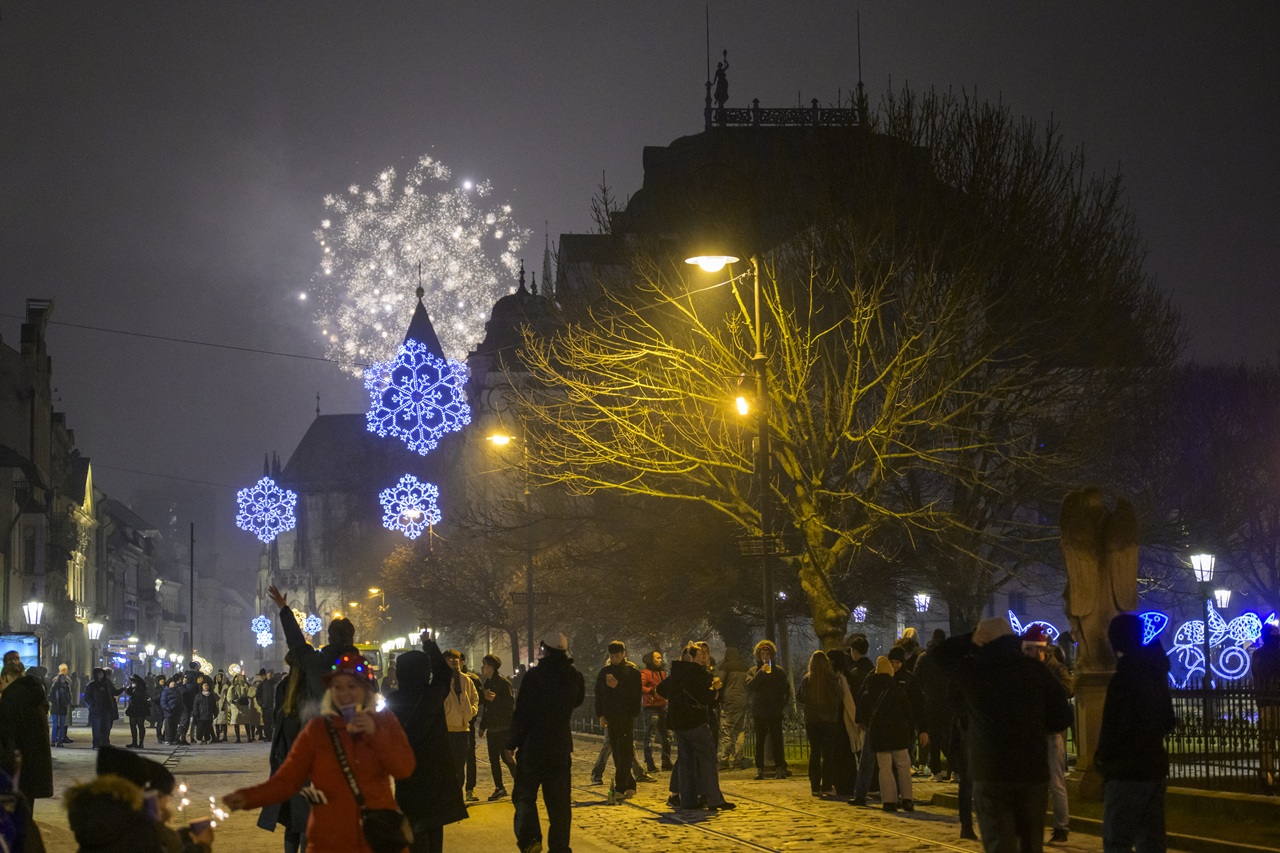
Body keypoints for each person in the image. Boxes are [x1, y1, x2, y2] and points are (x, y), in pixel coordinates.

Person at [224, 652, 415, 853]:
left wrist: (376, 734)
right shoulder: (318, 729)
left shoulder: (384, 722)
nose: (344, 693)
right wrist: (249, 797)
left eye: (352, 686)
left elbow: (404, 769)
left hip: (377, 838)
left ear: (366, 689)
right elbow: (288, 778)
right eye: (337, 687)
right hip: (330, 838)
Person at [935, 616, 1072, 853]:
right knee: (1030, 844)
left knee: (999, 843)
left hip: (990, 770)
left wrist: (970, 639)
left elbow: (939, 656)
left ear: (982, 641)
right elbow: (1061, 717)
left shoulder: (975, 672)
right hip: (1031, 771)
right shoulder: (1035, 671)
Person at [1096, 613, 1178, 853]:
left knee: (1117, 840)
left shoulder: (1125, 677)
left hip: (1126, 772)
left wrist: (1103, 760)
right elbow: (1168, 720)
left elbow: (1113, 728)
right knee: (1151, 842)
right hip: (1153, 768)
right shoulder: (1154, 672)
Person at [504, 633, 585, 853]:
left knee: (524, 796)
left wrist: (510, 742)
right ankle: (560, 847)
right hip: (559, 747)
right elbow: (578, 700)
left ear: (545, 650)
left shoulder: (534, 676)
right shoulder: (575, 677)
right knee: (559, 804)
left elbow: (522, 713)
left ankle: (531, 839)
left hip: (533, 746)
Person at [389, 639, 469, 853]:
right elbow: (444, 673)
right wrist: (429, 644)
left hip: (408, 777)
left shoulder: (393, 702)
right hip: (435, 775)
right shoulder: (433, 696)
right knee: (435, 830)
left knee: (415, 834)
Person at [92, 744, 215, 852]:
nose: (168, 799)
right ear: (147, 795)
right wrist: (201, 847)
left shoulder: (111, 819)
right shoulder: (133, 831)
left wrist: (181, 837)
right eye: (165, 794)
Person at [658, 643, 735, 811]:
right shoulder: (696, 673)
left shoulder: (677, 672)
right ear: (691, 657)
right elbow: (705, 697)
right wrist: (714, 692)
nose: (702, 658)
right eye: (699, 655)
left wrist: (676, 698)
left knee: (686, 760)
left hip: (678, 722)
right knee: (708, 758)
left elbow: (661, 688)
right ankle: (714, 798)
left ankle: (688, 800)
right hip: (695, 720)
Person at [268, 585, 358, 714]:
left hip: (322, 727)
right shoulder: (361, 667)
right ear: (351, 637)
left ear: (330, 637)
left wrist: (284, 609)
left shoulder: (318, 662)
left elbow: (296, 643)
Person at [1023, 625, 1074, 845]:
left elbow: (1069, 688)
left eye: (1028, 650)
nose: (1024, 654)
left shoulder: (1054, 668)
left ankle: (1061, 828)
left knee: (1055, 781)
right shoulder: (1027, 668)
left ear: (1038, 649)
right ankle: (1034, 827)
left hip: (1051, 732)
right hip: (1032, 732)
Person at [255, 651, 309, 853]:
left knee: (293, 824)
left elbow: (278, 744)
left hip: (288, 769)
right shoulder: (312, 698)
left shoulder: (285, 709)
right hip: (308, 772)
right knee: (305, 823)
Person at [0, 650, 53, 804]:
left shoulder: (12, 697)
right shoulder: (33, 692)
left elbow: (7, 732)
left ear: (8, 678)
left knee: (14, 810)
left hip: (17, 764)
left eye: (2, 682)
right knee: (25, 805)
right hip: (33, 762)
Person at [594, 640, 643, 798]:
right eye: (612, 656)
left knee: (625, 751)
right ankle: (629, 784)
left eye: (617, 656)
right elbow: (599, 695)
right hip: (611, 715)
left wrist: (618, 686)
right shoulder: (604, 672)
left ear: (623, 654)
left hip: (626, 716)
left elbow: (635, 695)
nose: (614, 659)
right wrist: (601, 714)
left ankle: (620, 787)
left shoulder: (632, 672)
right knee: (616, 751)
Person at [797, 650, 843, 797]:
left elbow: (801, 697)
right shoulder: (832, 679)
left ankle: (815, 785)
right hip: (829, 720)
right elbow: (840, 696)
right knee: (828, 754)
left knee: (815, 752)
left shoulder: (808, 679)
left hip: (813, 720)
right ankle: (827, 785)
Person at [746, 639, 791, 780]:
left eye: (767, 653)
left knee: (777, 739)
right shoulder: (753, 671)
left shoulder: (778, 671)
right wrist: (761, 672)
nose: (765, 656)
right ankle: (760, 768)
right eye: (762, 653)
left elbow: (786, 688)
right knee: (760, 741)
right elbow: (751, 686)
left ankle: (780, 767)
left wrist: (781, 704)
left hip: (774, 710)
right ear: (758, 655)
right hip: (760, 711)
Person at [914, 629, 953, 781]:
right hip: (948, 701)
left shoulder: (924, 657)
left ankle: (935, 771)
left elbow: (916, 678)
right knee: (949, 736)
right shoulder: (950, 657)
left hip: (930, 701)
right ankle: (954, 770)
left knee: (934, 736)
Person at [477, 654, 516, 801]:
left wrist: (496, 699)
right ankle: (499, 787)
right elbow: (487, 708)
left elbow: (509, 705)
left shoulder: (503, 683)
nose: (483, 668)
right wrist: (482, 726)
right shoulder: (487, 684)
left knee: (506, 757)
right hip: (492, 728)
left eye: (485, 665)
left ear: (491, 667)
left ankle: (520, 782)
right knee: (493, 759)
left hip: (503, 727)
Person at [441, 649, 479, 799]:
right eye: (450, 660)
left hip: (464, 728)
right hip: (447, 729)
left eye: (455, 660)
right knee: (448, 765)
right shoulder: (441, 681)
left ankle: (457, 795)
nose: (453, 662)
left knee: (460, 764)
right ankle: (449, 795)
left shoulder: (466, 680)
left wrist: (471, 711)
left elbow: (475, 698)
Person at [1253, 623, 1280, 794]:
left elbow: (1256, 674)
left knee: (1267, 741)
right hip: (1275, 700)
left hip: (1264, 701)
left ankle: (1267, 775)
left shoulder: (1258, 655)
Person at [640, 650, 673, 772]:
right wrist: (651, 691)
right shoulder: (645, 673)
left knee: (667, 735)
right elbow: (640, 686)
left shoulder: (662, 673)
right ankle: (649, 762)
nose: (660, 660)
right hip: (650, 707)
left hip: (662, 706)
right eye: (657, 658)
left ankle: (666, 760)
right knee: (650, 736)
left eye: (660, 658)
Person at [716, 647, 749, 771]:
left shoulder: (725, 667)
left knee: (726, 731)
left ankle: (724, 760)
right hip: (742, 701)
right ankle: (738, 761)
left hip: (729, 702)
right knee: (740, 731)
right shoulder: (744, 667)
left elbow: (719, 683)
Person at [85, 667, 124, 749]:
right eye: (99, 673)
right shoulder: (91, 685)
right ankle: (96, 744)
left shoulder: (107, 684)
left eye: (102, 673)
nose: (101, 675)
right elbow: (87, 697)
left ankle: (105, 743)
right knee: (96, 728)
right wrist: (93, 704)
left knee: (106, 728)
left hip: (106, 709)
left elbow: (114, 692)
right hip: (96, 710)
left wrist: (123, 689)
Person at [227, 672, 257, 743]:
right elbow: (229, 697)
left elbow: (249, 694)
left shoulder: (245, 686)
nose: (239, 679)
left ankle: (249, 737)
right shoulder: (232, 687)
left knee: (246, 723)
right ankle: (238, 738)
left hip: (244, 706)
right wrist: (232, 700)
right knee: (236, 723)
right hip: (236, 707)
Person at [49, 662, 74, 749]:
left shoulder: (65, 685)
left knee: (61, 724)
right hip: (57, 707)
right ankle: (54, 740)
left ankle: (59, 741)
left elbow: (69, 696)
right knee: (56, 724)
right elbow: (50, 696)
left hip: (62, 707)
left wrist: (67, 702)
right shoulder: (56, 685)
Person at [124, 674, 151, 749]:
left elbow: (139, 695)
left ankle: (141, 743)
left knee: (140, 725)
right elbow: (128, 692)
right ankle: (134, 742)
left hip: (140, 708)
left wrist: (133, 688)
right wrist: (130, 687)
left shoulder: (141, 687)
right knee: (133, 725)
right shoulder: (133, 687)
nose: (132, 682)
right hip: (133, 708)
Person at [193, 680, 219, 745]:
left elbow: (214, 705)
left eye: (207, 685)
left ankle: (207, 738)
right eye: (204, 685)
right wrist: (196, 714)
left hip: (209, 714)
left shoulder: (211, 696)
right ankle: (199, 739)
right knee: (200, 728)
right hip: (201, 715)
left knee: (208, 727)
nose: (206, 687)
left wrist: (215, 713)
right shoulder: (198, 696)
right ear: (202, 687)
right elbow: (195, 705)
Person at [161, 678, 183, 745]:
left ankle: (173, 739)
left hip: (175, 712)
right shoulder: (165, 691)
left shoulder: (176, 691)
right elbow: (163, 702)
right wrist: (168, 709)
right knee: (168, 727)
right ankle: (167, 739)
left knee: (174, 726)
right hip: (169, 712)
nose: (173, 683)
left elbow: (179, 700)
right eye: (172, 682)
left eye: (174, 682)